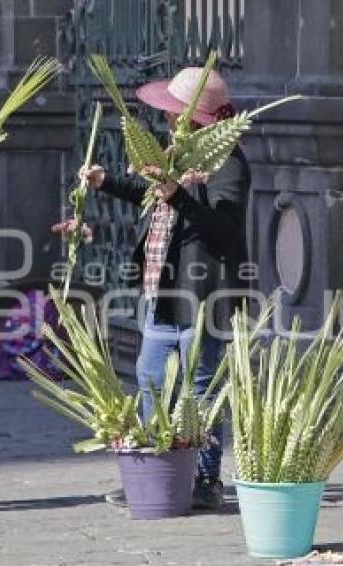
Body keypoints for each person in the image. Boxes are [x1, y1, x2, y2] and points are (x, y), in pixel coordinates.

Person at [75, 65, 251, 510]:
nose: (168, 121)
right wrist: (107, 181)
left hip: (200, 296)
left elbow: (223, 230)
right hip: (163, 292)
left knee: (200, 390)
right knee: (151, 379)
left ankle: (205, 481)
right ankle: (157, 473)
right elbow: (152, 194)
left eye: (175, 114)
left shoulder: (228, 162)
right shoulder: (178, 154)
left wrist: (179, 195)